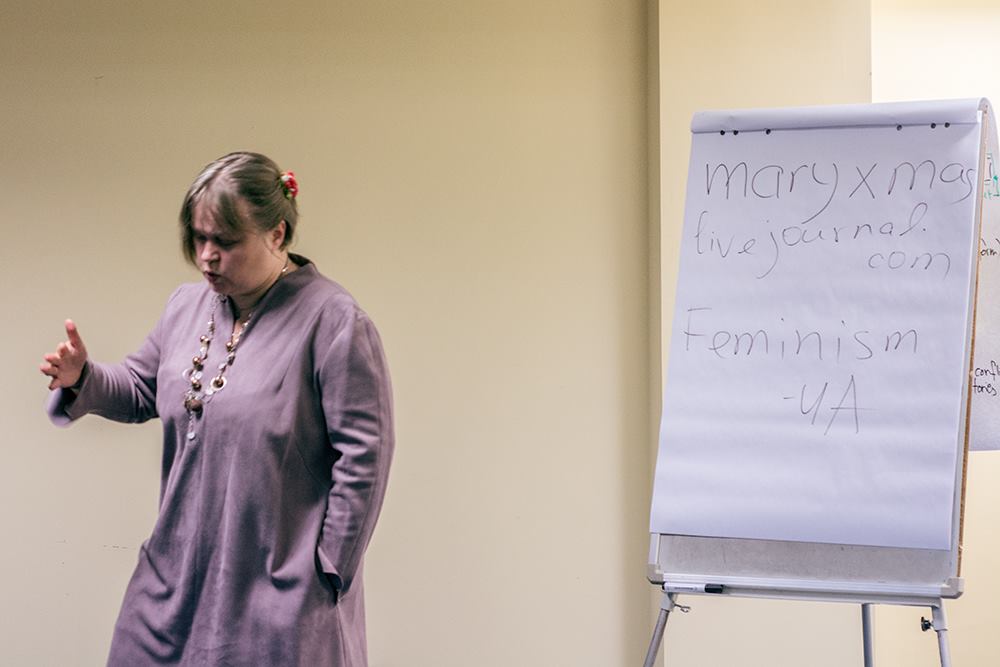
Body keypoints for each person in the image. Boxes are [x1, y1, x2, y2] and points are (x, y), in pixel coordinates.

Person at [40, 152, 394, 666]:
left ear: (276, 233)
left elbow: (365, 456)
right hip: (175, 579)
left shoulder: (334, 322)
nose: (207, 256)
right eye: (199, 238)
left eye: (225, 241)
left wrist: (326, 570)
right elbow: (141, 387)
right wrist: (83, 379)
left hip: (276, 591)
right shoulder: (185, 307)